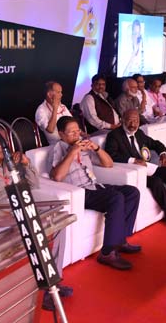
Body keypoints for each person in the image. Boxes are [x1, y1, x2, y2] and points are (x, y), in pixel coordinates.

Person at [0, 128, 72, 310]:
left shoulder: (10, 163)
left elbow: (33, 185)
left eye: (2, 141)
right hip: (3, 217)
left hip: (22, 209)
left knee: (59, 223)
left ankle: (53, 281)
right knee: (36, 234)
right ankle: (40, 292)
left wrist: (27, 164)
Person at [51, 116, 141, 270]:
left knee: (132, 192)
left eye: (78, 131)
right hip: (79, 193)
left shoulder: (84, 146)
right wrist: (72, 152)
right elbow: (57, 176)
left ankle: (120, 240)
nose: (76, 135)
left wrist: (97, 148)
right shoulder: (58, 149)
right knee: (116, 198)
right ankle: (107, 253)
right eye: (72, 132)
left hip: (94, 186)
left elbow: (109, 164)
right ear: (61, 134)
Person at [105, 109, 166, 228]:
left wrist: (163, 153)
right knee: (157, 181)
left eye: (136, 121)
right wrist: (133, 160)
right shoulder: (114, 136)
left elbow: (155, 143)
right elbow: (111, 155)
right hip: (135, 172)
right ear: (122, 120)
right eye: (130, 120)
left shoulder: (139, 133)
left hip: (148, 168)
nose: (133, 124)